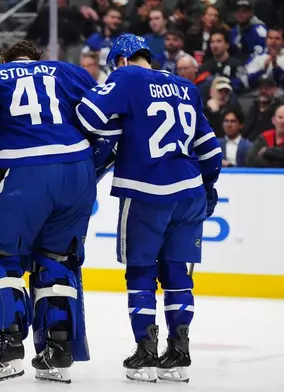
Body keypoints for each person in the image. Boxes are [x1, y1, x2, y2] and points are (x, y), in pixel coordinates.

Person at [76, 33, 222, 383]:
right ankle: (179, 354)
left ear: (123, 61)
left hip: (146, 191)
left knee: (140, 272)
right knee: (177, 274)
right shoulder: (186, 86)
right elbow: (211, 151)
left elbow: (88, 116)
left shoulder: (126, 77)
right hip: (189, 193)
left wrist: (117, 126)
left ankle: (145, 353)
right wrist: (208, 187)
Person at [0, 40, 97, 384]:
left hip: (25, 170)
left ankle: (8, 343)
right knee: (56, 260)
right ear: (39, 59)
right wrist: (94, 167)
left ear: (6, 60)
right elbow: (105, 121)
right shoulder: (69, 72)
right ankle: (57, 351)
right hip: (78, 171)